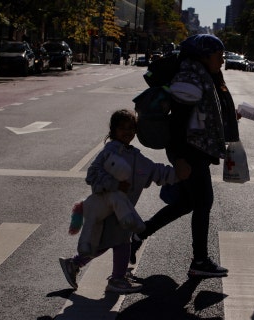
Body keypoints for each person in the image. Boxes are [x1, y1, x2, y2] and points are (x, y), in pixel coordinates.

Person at [130, 34, 241, 277]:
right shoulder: (190, 78)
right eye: (219, 56)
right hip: (189, 151)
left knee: (188, 203)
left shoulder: (198, 74)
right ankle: (199, 261)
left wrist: (225, 120)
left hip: (194, 148)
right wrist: (180, 157)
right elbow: (179, 121)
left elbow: (198, 114)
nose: (222, 61)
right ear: (204, 55)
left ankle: (139, 235)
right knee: (203, 203)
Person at [59, 109, 187, 293]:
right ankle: (116, 279)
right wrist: (114, 185)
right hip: (109, 208)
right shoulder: (110, 151)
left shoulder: (134, 154)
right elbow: (92, 175)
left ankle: (75, 264)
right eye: (122, 128)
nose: (127, 132)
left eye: (131, 128)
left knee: (108, 242)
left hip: (121, 209)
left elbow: (153, 170)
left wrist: (176, 174)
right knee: (121, 243)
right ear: (113, 130)